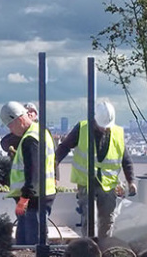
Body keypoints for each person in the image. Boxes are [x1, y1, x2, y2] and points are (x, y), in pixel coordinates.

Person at [55, 99, 135, 238]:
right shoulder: (82, 128)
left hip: (107, 185)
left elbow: (126, 159)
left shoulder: (117, 133)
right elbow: (65, 146)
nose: (104, 128)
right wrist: (53, 163)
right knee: (88, 218)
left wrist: (131, 181)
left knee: (108, 219)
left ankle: (104, 246)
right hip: (86, 182)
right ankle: (89, 247)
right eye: (102, 125)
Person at [0, 101, 55, 245]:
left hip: (32, 200)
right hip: (39, 195)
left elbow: (33, 172)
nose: (11, 130)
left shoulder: (30, 140)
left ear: (19, 119)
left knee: (33, 242)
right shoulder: (40, 131)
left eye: (10, 125)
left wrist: (24, 199)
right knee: (27, 240)